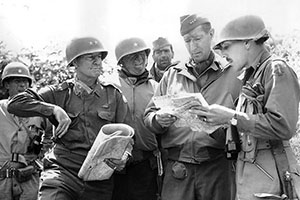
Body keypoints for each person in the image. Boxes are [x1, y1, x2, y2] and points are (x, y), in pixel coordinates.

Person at [7, 36, 132, 200]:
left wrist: (125, 156)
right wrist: (53, 109)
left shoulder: (113, 95)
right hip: (63, 172)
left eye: (99, 57)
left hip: (98, 176)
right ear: (75, 62)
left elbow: (128, 134)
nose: (98, 62)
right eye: (91, 57)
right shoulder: (58, 92)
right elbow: (15, 104)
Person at [195, 15, 300, 200]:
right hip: (250, 180)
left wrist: (231, 117)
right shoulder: (249, 78)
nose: (223, 54)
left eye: (226, 46)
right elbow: (242, 132)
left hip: (273, 182)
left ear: (248, 43)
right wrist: (206, 121)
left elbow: (283, 126)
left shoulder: (276, 70)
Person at [144, 14, 241, 200]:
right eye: (187, 41)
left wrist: (221, 125)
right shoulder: (172, 75)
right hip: (178, 168)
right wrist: (158, 119)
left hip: (217, 166)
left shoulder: (232, 73)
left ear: (211, 34)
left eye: (198, 39)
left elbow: (244, 120)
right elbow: (149, 116)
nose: (193, 46)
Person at [112, 37, 159, 200]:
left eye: (143, 55)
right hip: (114, 161)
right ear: (121, 62)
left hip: (145, 162)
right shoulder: (110, 86)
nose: (139, 60)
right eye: (133, 56)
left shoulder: (156, 87)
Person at [0, 62, 45, 200]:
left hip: (29, 178)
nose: (22, 86)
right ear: (7, 85)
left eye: (25, 82)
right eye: (17, 81)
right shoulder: (0, 109)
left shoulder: (40, 111)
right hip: (2, 179)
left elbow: (51, 138)